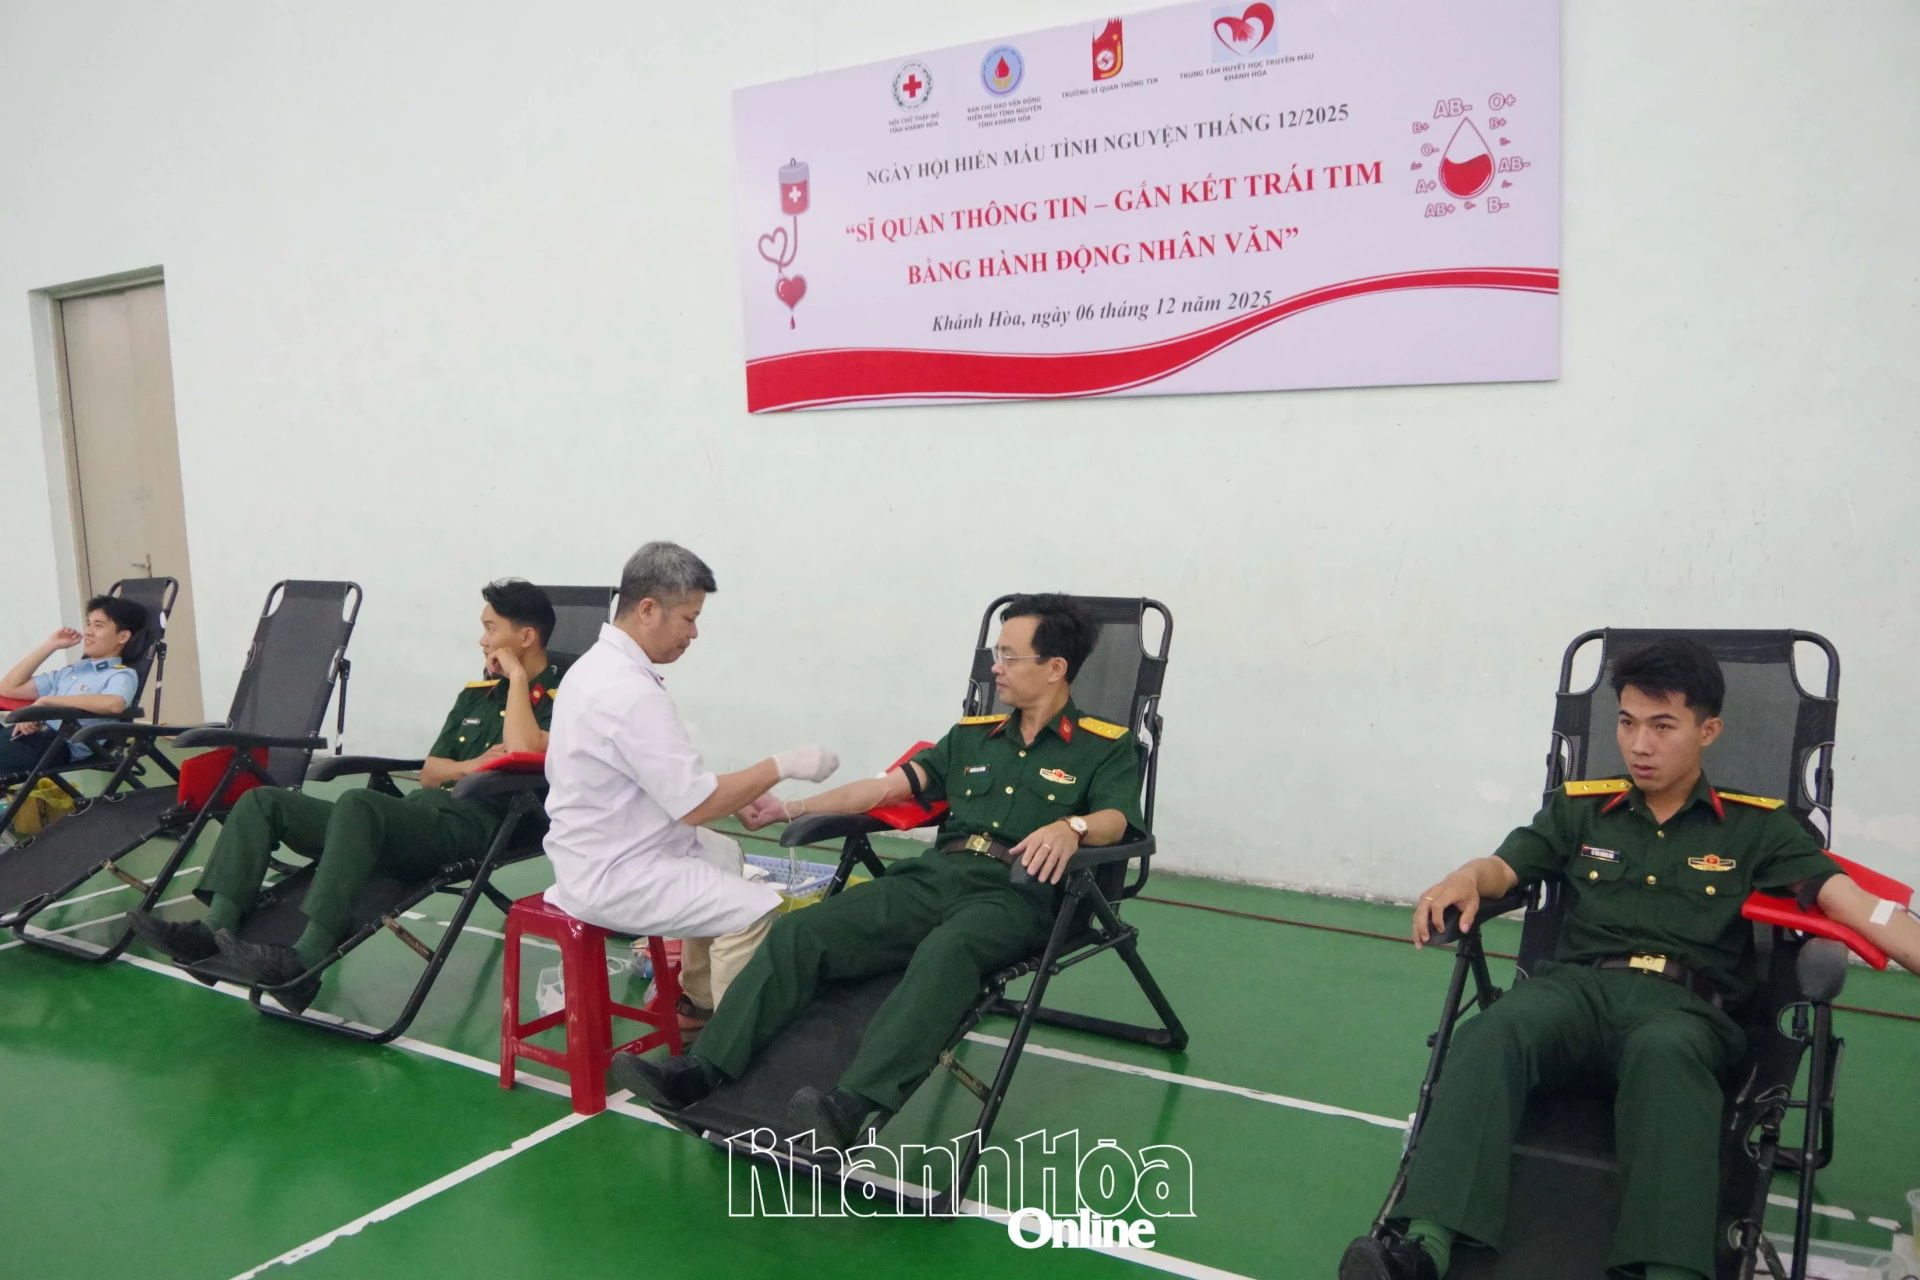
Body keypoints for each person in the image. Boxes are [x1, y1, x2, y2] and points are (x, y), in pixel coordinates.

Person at [1341, 637, 1920, 1280]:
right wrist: (1464, 878)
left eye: (1662, 726)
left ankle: (1669, 1270)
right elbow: (1504, 866)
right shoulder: (1582, 808)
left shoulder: (1757, 826)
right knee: (1491, 1032)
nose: (1639, 744)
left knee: (1665, 1055)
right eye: (1627, 722)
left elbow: (1856, 905)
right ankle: (1422, 1248)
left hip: (1684, 1010)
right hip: (1576, 994)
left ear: (1708, 731)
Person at [615, 593, 1143, 1149]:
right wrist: (790, 807)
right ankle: (701, 1070)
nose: (996, 667)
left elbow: (1118, 820)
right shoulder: (973, 736)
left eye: (1010, 656)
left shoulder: (1104, 746)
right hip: (936, 876)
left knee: (947, 953)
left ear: (1055, 668)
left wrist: (1074, 827)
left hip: (1014, 894)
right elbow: (885, 789)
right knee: (802, 931)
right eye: (997, 653)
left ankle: (852, 1105)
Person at [128, 579, 568, 1013]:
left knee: (358, 804)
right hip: (416, 819)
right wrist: (472, 765)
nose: (482, 640)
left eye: (491, 628)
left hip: (474, 828)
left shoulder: (565, 699)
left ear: (526, 637)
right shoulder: (475, 696)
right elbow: (430, 773)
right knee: (263, 802)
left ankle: (305, 962)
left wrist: (516, 676)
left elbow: (524, 751)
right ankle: (212, 930)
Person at [540, 541, 840, 1025]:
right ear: (648, 610)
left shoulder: (597, 668)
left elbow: (665, 777)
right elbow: (696, 805)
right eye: (689, 618)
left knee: (726, 855)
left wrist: (736, 795)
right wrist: (782, 765)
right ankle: (728, 1044)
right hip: (616, 871)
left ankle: (696, 1004)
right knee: (755, 909)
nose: (694, 633)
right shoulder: (626, 690)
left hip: (598, 848)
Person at [0, 595, 149, 774]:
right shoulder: (73, 671)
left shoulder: (120, 674)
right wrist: (51, 645)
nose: (88, 632)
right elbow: (8, 688)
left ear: (122, 636)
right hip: (24, 735)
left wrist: (46, 702)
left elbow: (114, 703)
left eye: (98, 626)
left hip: (54, 745)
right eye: (88, 624)